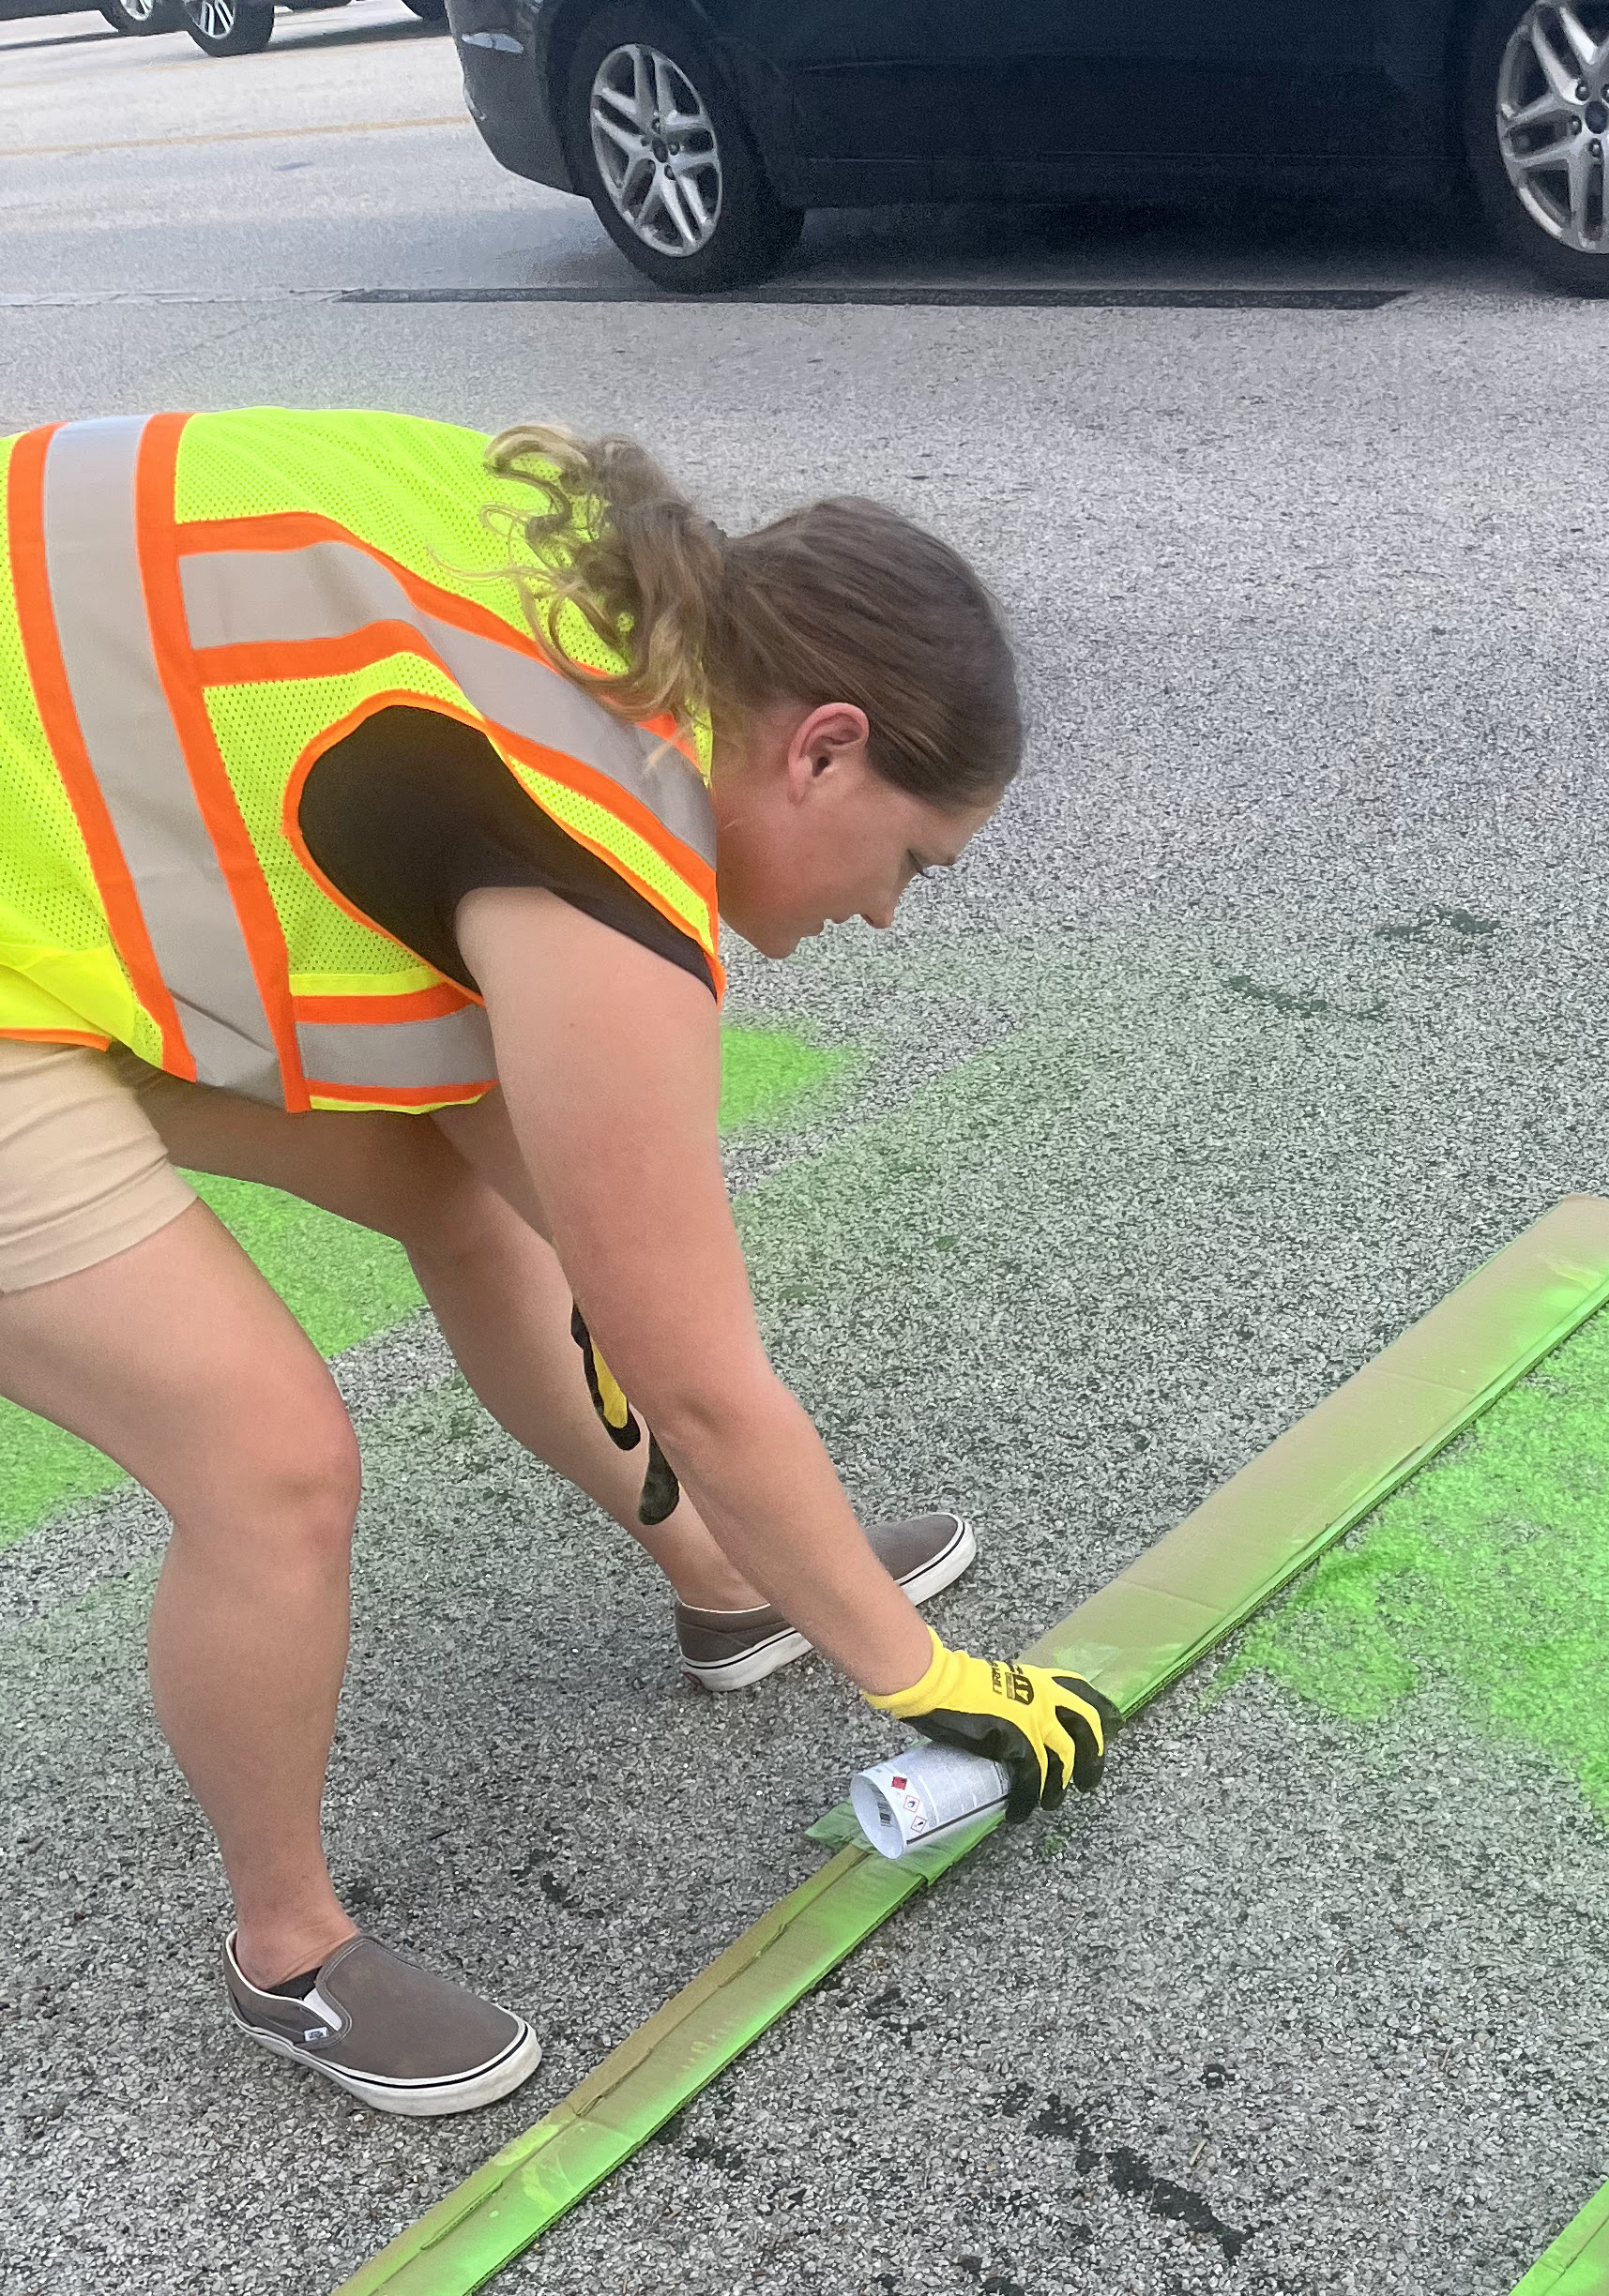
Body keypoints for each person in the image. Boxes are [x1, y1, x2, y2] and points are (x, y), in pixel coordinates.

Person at [0, 405, 1114, 2119]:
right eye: (911, 861)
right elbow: (697, 1378)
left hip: (55, 833)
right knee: (268, 1461)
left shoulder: (617, 614)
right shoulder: (598, 857)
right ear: (822, 749)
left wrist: (802, 1557)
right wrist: (927, 1677)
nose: (889, 913)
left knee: (464, 1189)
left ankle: (728, 1581)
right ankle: (287, 1950)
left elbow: (589, 1235)